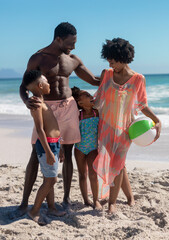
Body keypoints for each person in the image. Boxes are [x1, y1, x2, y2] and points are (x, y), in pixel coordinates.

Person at [12, 22, 99, 218]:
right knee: (36, 153)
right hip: (46, 109)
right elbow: (23, 85)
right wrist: (27, 101)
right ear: (58, 38)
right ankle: (25, 202)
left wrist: (119, 76)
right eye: (70, 42)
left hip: (68, 107)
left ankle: (66, 199)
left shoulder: (72, 59)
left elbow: (94, 80)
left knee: (67, 153)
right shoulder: (38, 58)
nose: (74, 46)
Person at [94, 38, 161, 214]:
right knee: (118, 165)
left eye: (113, 61)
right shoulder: (106, 74)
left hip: (125, 130)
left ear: (124, 58)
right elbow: (97, 100)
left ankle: (111, 203)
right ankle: (130, 197)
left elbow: (142, 105)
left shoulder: (138, 79)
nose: (111, 64)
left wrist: (157, 120)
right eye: (108, 60)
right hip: (106, 127)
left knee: (117, 163)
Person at [23, 70, 66, 225]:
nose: (50, 84)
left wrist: (59, 147)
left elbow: (52, 127)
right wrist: (48, 151)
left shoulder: (42, 101)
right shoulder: (36, 104)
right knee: (51, 179)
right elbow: (40, 129)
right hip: (46, 146)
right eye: (47, 81)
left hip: (54, 143)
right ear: (40, 85)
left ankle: (52, 207)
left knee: (49, 178)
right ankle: (34, 210)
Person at [71, 86, 102, 210]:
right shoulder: (78, 115)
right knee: (82, 174)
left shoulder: (97, 112)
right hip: (79, 148)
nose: (91, 96)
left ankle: (96, 200)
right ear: (80, 103)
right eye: (87, 95)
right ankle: (86, 200)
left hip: (93, 148)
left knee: (93, 175)